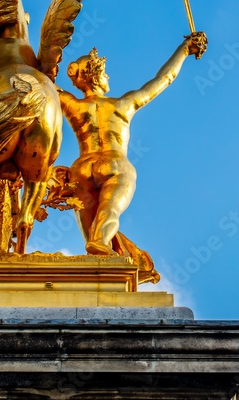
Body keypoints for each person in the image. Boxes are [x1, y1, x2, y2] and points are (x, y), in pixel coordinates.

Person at [57, 32, 207, 273]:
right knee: (108, 214)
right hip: (115, 165)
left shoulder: (72, 104)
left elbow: (41, 81)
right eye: (105, 73)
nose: (108, 77)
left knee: (91, 242)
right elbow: (162, 79)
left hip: (81, 169)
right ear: (97, 76)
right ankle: (103, 246)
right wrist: (184, 50)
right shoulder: (123, 104)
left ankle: (101, 254)